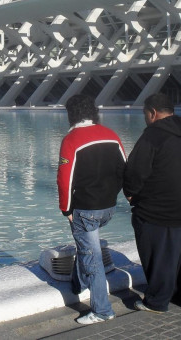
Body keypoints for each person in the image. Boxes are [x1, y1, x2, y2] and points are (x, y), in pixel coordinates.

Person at [123, 93, 181, 313]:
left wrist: (130, 193)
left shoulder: (153, 135)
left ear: (152, 113)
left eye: (145, 115)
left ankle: (157, 301)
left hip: (159, 209)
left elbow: (135, 170)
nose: (145, 119)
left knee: (157, 254)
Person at [57, 94, 126, 324]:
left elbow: (64, 180)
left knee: (92, 258)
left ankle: (102, 310)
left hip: (86, 209)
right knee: (87, 246)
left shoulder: (71, 139)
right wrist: (113, 195)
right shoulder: (111, 135)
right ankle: (77, 283)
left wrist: (66, 209)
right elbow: (124, 170)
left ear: (71, 114)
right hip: (108, 207)